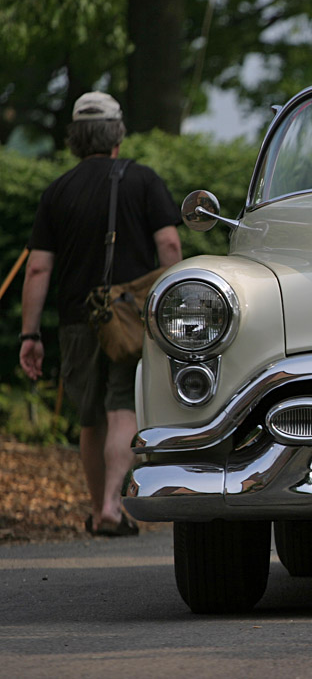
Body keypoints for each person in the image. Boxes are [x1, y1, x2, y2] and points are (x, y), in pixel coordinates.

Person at [19, 91, 183, 537]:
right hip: (131, 317)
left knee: (89, 417)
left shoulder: (57, 192)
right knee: (122, 408)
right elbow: (169, 245)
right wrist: (173, 307)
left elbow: (38, 267)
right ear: (118, 135)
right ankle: (114, 502)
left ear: (75, 137)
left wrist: (29, 335)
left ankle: (98, 509)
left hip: (77, 318)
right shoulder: (144, 180)